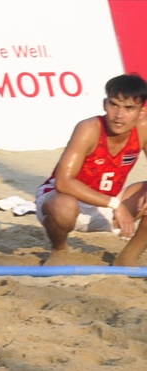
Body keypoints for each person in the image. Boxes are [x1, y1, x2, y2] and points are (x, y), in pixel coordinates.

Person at [36, 73, 147, 266]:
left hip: (106, 205)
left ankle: (127, 259)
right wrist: (115, 205)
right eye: (114, 105)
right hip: (64, 201)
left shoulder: (143, 129)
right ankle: (59, 250)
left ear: (141, 112)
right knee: (64, 206)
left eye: (129, 108)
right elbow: (63, 182)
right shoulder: (89, 128)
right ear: (105, 104)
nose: (119, 115)